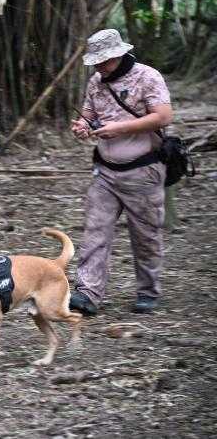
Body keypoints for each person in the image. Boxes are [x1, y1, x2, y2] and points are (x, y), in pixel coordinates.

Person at [69, 29, 172, 316]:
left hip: (142, 171)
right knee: (94, 232)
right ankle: (88, 292)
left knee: (146, 236)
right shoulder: (96, 82)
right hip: (105, 172)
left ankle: (148, 291)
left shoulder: (147, 76)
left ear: (118, 54)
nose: (100, 66)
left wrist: (120, 127)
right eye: (96, 62)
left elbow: (163, 116)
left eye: (104, 61)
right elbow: (88, 114)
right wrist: (82, 125)